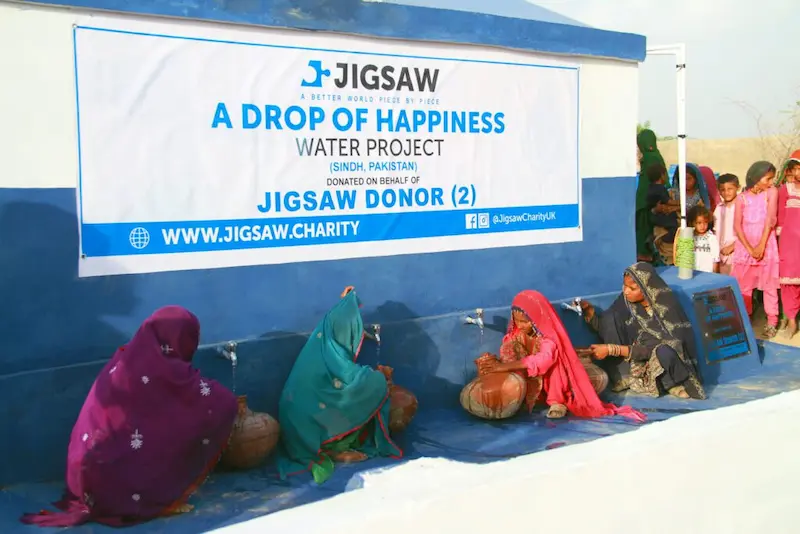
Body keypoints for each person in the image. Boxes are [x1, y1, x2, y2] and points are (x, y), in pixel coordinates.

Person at [21, 306, 239, 527]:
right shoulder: (171, 373)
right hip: (120, 486)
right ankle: (157, 496)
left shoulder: (124, 359)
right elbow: (221, 402)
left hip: (84, 480)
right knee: (212, 409)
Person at [277, 287, 401, 485]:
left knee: (348, 393)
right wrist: (379, 376)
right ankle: (334, 448)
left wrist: (345, 300)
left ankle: (335, 446)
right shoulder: (333, 353)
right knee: (375, 385)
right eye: (354, 332)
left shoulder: (321, 343)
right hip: (305, 423)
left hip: (297, 422)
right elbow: (354, 377)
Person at [486, 290, 645, 421]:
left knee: (557, 363)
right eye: (517, 321)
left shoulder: (548, 338)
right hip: (531, 383)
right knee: (508, 349)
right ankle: (525, 398)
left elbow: (544, 360)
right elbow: (509, 355)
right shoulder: (515, 336)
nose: (521, 326)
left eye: (526, 322)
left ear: (537, 320)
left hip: (553, 383)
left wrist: (505, 367)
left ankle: (557, 402)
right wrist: (496, 365)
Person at [579, 262, 706, 400]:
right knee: (611, 317)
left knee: (664, 351)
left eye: (632, 288)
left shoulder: (667, 308)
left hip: (659, 356)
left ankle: (671, 384)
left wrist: (611, 349)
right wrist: (590, 314)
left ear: (646, 289)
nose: (626, 291)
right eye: (625, 286)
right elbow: (607, 326)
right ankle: (623, 376)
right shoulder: (626, 300)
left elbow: (653, 349)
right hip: (635, 357)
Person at [732, 161, 780, 339]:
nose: (770, 182)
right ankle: (745, 320)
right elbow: (737, 226)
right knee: (744, 287)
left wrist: (760, 246)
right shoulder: (741, 198)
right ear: (755, 177)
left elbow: (770, 219)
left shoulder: (771, 193)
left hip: (766, 245)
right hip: (745, 248)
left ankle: (772, 321)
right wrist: (749, 248)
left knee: (769, 286)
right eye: (768, 178)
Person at [777, 153, 800, 337]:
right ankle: (791, 320)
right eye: (798, 168)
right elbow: (780, 218)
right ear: (791, 170)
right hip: (789, 244)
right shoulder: (785, 189)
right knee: (788, 283)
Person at [636, 129, 666, 262]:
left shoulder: (648, 159)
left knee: (644, 232)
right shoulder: (657, 156)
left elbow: (646, 185)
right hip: (654, 201)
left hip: (647, 203)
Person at [674, 205, 719, 274]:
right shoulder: (688, 237)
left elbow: (715, 258)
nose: (702, 226)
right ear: (692, 222)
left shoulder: (711, 238)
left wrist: (714, 273)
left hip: (707, 273)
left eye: (705, 222)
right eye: (699, 223)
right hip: (692, 272)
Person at [714, 173, 740, 276]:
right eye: (722, 190)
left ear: (737, 188)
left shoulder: (741, 206)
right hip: (721, 253)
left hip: (737, 252)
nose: (726, 193)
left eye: (730, 189)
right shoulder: (719, 208)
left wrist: (733, 246)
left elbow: (747, 231)